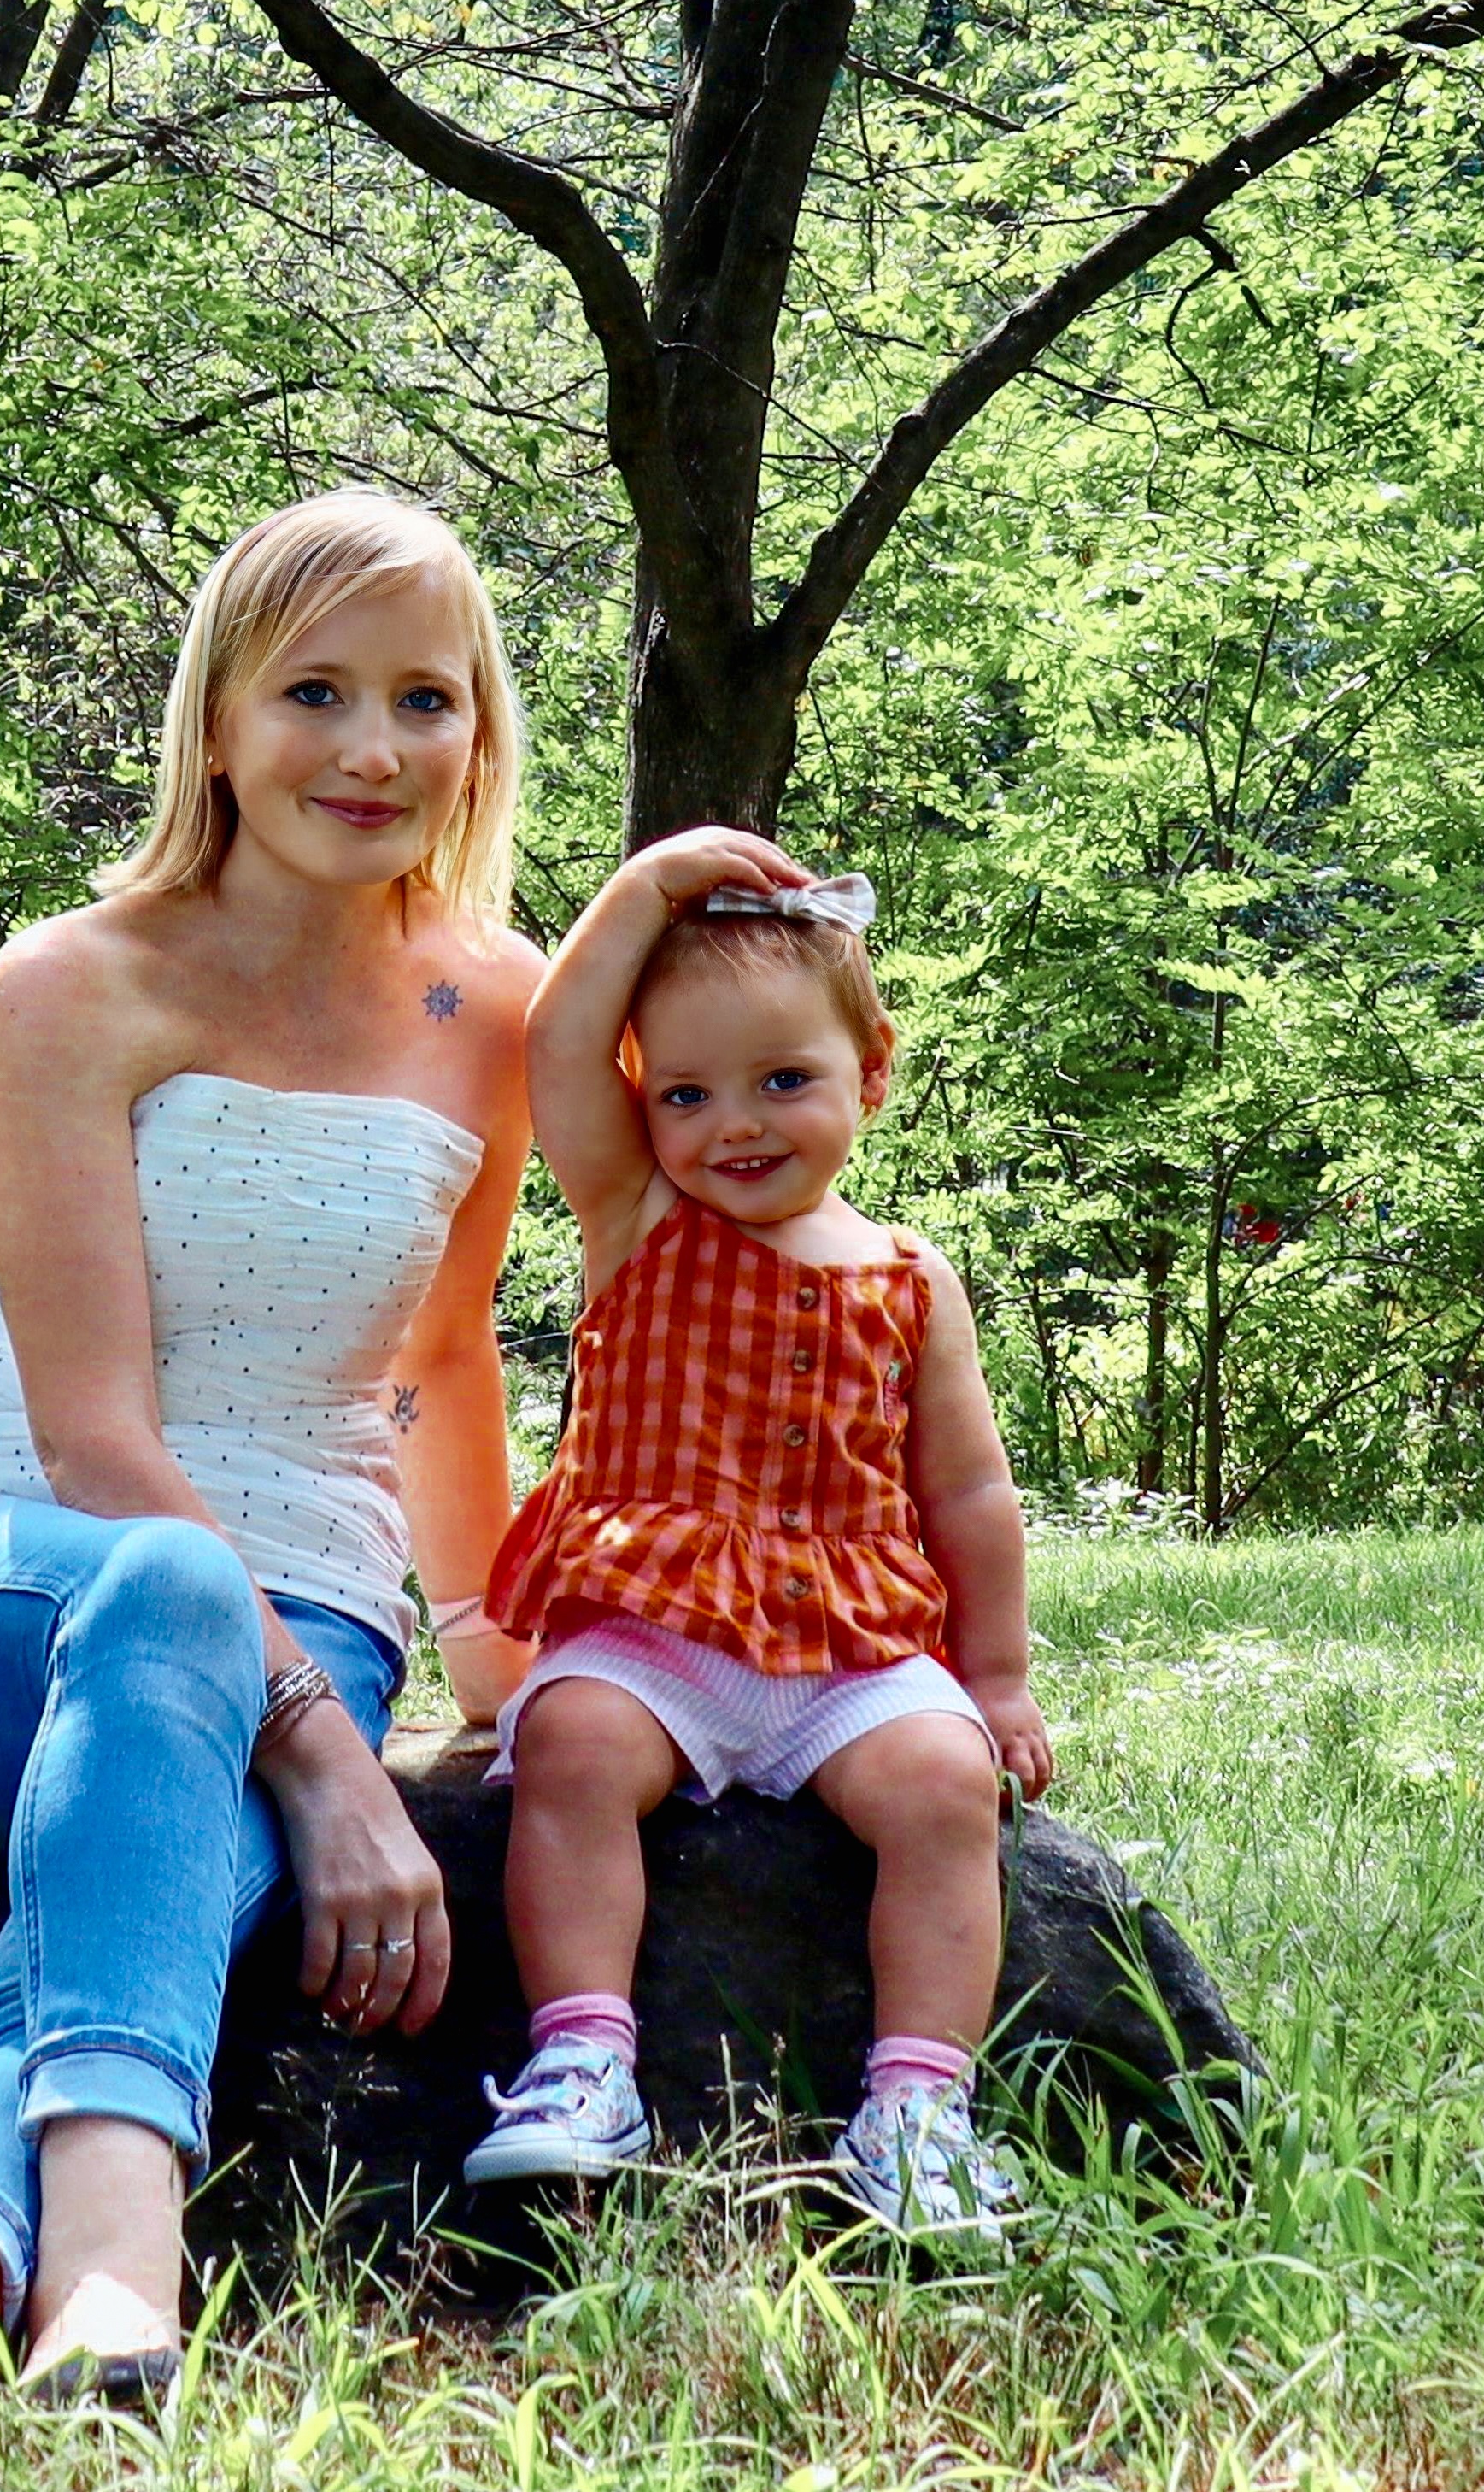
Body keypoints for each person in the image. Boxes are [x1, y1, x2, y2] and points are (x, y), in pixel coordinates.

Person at [0, 490, 543, 2437]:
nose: (373, 745)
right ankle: (125, 2259)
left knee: (167, 1857)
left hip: (311, 1570)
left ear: (480, 733)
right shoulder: (74, 979)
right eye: (315, 689)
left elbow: (443, 1351)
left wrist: (491, 1650)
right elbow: (94, 1436)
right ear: (219, 719)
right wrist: (330, 1753)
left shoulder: (497, 1004)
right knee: (168, 1593)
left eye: (428, 696)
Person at [452, 832, 1054, 2237]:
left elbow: (969, 1494)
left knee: (944, 1792)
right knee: (576, 1747)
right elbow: (557, 1044)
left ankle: (917, 2109)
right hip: (651, 1634)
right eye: (687, 1091)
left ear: (874, 1072)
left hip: (852, 1643)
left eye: (785, 1080)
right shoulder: (643, 1215)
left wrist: (1000, 1677)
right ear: (642, 1107)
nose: (736, 1122)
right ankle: (582, 2060)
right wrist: (646, 888)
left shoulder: (912, 1280)